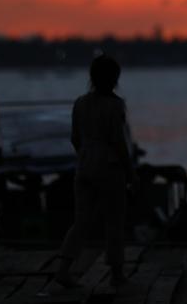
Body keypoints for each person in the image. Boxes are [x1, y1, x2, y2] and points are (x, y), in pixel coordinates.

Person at [55, 54, 135, 289]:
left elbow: (74, 138)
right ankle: (117, 274)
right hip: (109, 167)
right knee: (114, 220)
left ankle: (63, 269)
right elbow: (119, 143)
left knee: (80, 221)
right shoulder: (115, 105)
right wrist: (131, 172)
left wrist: (85, 155)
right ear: (115, 78)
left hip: (85, 165)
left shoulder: (80, 102)